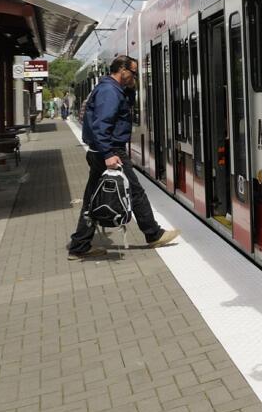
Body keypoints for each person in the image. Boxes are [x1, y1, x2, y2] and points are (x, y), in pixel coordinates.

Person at [67, 55, 179, 260]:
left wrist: (131, 88)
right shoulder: (110, 91)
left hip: (102, 150)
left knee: (93, 197)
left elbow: (121, 110)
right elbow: (102, 126)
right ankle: (153, 234)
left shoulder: (114, 89)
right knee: (135, 191)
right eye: (133, 72)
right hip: (110, 150)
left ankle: (80, 244)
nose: (134, 76)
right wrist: (109, 154)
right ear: (122, 70)